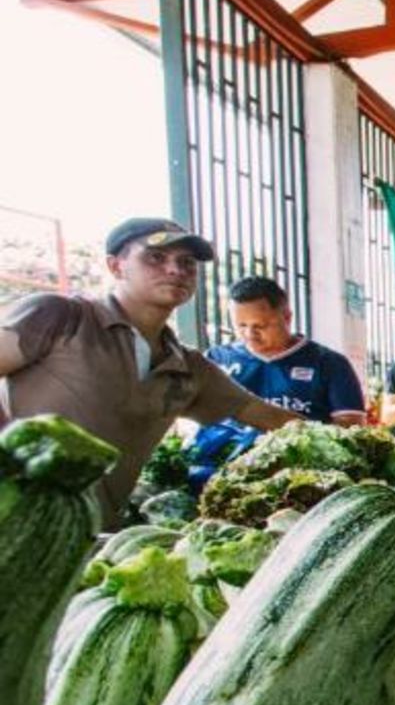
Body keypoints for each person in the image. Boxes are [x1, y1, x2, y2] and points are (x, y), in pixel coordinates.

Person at [0, 216, 296, 522]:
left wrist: (345, 436)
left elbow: (271, 417)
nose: (175, 270)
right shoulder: (60, 317)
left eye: (187, 262)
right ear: (116, 266)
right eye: (155, 257)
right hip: (10, 523)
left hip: (90, 537)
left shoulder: (190, 368)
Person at [209, 275, 368, 426]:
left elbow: (351, 424)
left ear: (287, 317)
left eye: (260, 326)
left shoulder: (329, 363)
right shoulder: (216, 360)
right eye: (241, 325)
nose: (250, 334)